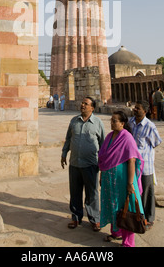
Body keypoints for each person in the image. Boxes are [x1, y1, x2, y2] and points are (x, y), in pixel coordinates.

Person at [99, 111, 144, 248]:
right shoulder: (109, 136)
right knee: (114, 204)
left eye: (115, 121)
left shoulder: (127, 138)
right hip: (110, 178)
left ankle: (128, 242)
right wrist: (102, 175)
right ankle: (116, 231)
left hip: (123, 179)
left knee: (126, 207)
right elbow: (104, 157)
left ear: (122, 123)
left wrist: (130, 183)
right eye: (111, 120)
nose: (112, 123)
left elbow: (131, 161)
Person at [61, 96, 105, 231]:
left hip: (91, 164)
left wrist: (103, 165)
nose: (82, 105)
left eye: (86, 104)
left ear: (92, 107)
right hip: (75, 163)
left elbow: (103, 144)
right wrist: (64, 154)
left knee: (92, 193)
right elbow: (68, 139)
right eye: (82, 103)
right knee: (75, 192)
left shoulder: (98, 123)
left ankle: (94, 219)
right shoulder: (74, 121)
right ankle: (76, 217)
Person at [129, 101, 162, 228]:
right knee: (135, 191)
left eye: (138, 108)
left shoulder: (150, 126)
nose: (135, 110)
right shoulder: (130, 122)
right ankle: (137, 215)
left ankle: (149, 218)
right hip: (132, 164)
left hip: (145, 165)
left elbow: (156, 142)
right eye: (135, 107)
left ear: (145, 111)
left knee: (147, 191)